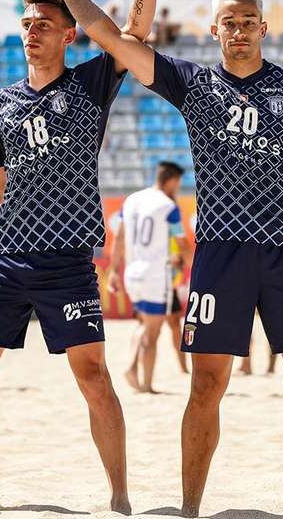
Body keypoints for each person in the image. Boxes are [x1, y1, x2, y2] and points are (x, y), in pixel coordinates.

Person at [43, 0, 283, 515]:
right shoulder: (193, 84)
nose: (239, 31)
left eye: (248, 22)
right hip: (221, 256)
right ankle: (191, 510)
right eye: (229, 23)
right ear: (214, 30)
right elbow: (111, 38)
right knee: (205, 386)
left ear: (264, 28)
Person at [0, 0, 161, 510]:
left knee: (93, 377)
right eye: (26, 23)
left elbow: (134, 36)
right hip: (6, 258)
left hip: (67, 259)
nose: (32, 30)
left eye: (44, 23)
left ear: (69, 34)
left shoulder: (91, 83)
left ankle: (120, 497)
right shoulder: (6, 101)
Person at [108, 161, 191, 393]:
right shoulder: (168, 206)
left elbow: (120, 238)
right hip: (155, 275)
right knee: (153, 334)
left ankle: (132, 367)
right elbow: (183, 243)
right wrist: (194, 265)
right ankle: (146, 383)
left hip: (132, 272)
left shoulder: (132, 200)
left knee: (144, 325)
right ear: (172, 181)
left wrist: (114, 270)